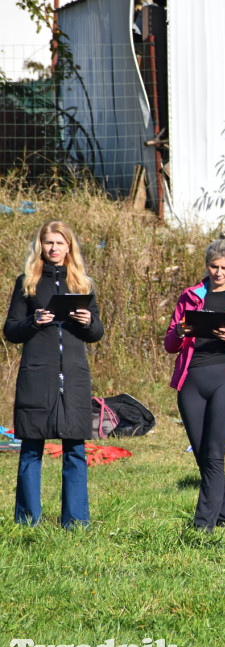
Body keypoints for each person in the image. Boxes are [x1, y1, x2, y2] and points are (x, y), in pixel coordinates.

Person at [5, 221, 103, 528]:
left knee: (75, 449)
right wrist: (34, 321)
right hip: (37, 376)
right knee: (31, 448)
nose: (54, 248)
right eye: (48, 243)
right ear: (41, 246)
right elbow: (10, 330)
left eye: (60, 243)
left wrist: (87, 321)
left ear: (69, 246)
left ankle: (76, 522)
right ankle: (26, 521)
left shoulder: (83, 284)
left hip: (73, 378)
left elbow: (97, 332)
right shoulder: (27, 284)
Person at [164, 240, 225, 532]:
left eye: (224, 267)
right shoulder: (189, 296)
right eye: (213, 267)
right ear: (206, 266)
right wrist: (181, 332)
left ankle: (202, 526)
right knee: (201, 454)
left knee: (214, 453)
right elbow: (170, 343)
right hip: (192, 382)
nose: (218, 273)